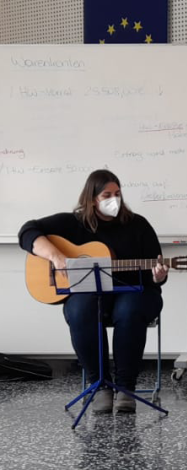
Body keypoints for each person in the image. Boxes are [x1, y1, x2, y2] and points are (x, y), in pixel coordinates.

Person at [18, 169, 169, 414]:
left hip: (136, 292)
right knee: (80, 310)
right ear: (91, 199)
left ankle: (125, 388)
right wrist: (56, 257)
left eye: (117, 193)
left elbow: (157, 274)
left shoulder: (138, 225)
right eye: (107, 195)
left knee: (129, 310)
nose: (114, 199)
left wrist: (159, 276)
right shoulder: (73, 223)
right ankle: (100, 386)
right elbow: (27, 231)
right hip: (92, 293)